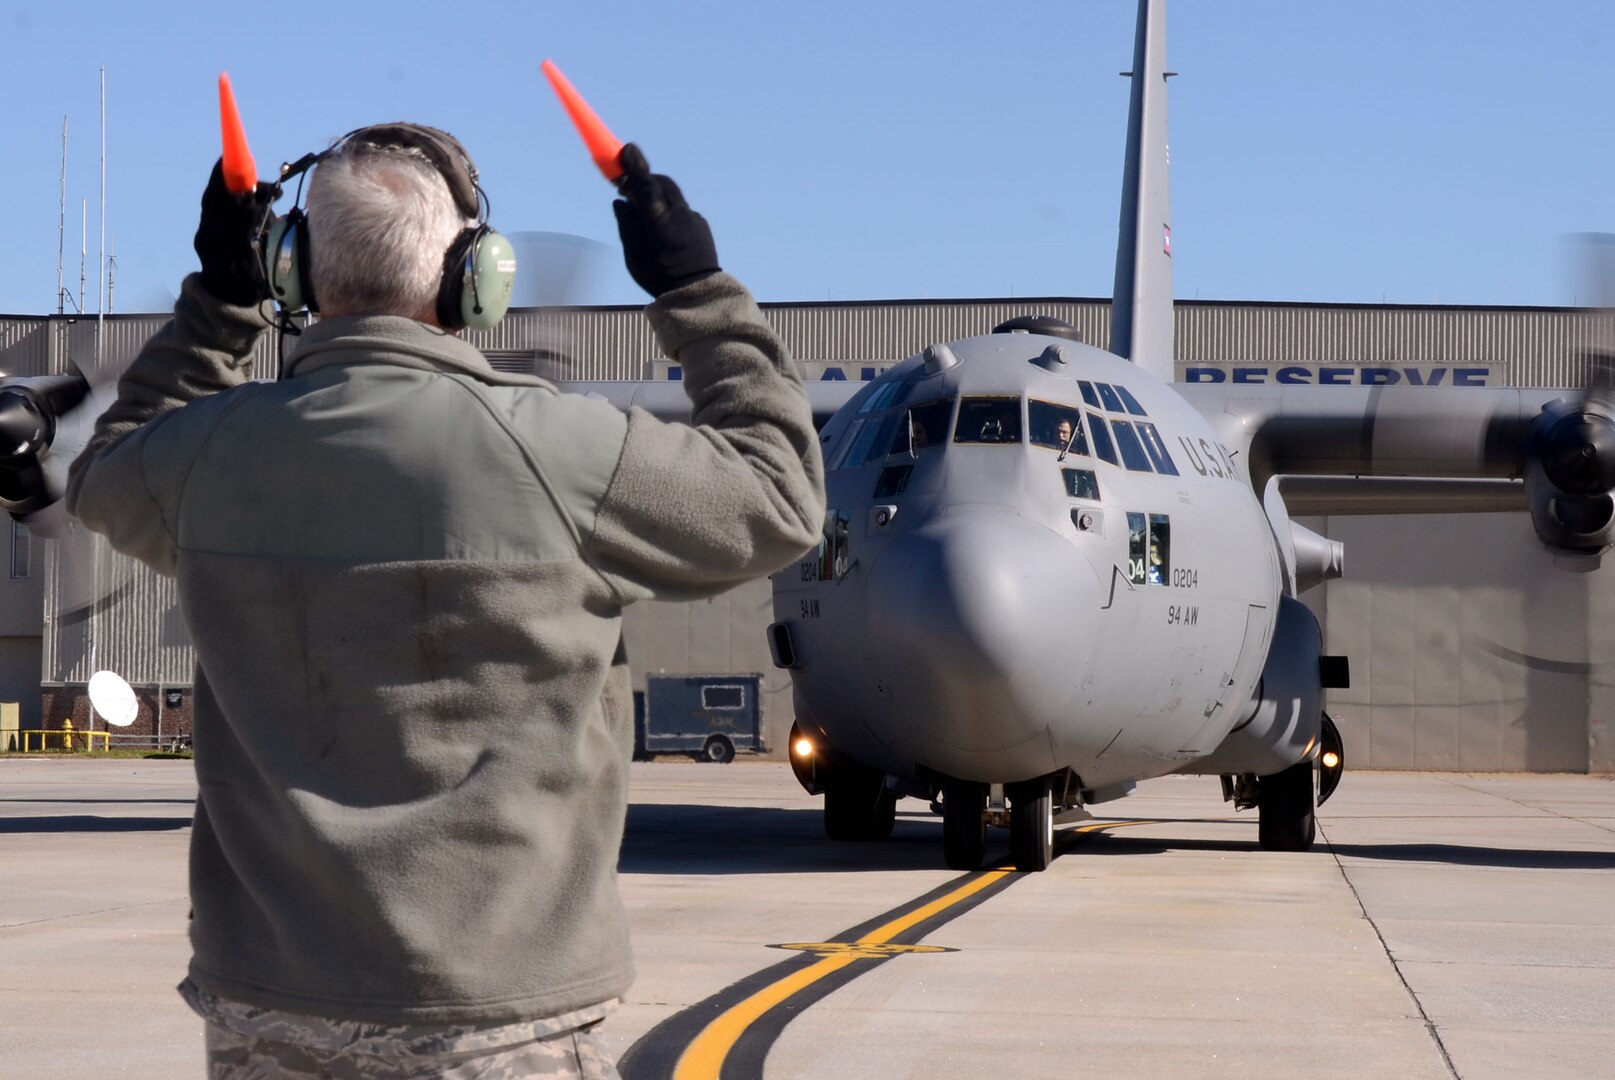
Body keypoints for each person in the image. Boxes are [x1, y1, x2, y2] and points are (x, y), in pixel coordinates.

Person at [66, 128, 824, 1078]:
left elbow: (103, 465)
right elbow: (782, 495)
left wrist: (220, 300)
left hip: (267, 1005)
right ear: (477, 277)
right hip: (499, 1018)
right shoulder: (562, 454)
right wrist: (696, 290)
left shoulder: (207, 457)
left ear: (295, 274)